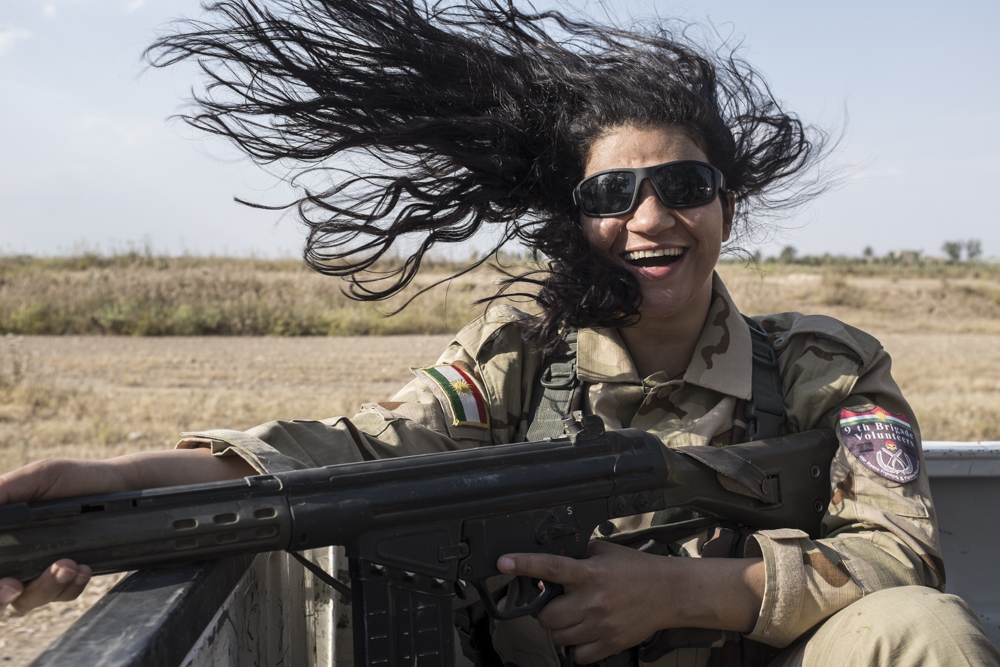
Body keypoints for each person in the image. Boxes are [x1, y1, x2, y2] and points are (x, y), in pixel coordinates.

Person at [0, 1, 997, 665]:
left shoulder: (827, 367)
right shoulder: (520, 355)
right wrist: (103, 485)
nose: (651, 219)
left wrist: (683, 592)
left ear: (726, 208)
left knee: (925, 630)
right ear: (576, 223)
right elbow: (352, 451)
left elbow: (899, 551)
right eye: (612, 194)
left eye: (684, 185)